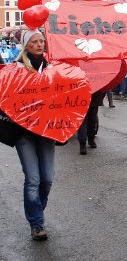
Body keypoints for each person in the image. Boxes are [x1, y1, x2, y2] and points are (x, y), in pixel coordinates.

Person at [14, 29, 56, 240]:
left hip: (47, 130)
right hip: (24, 133)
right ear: (27, 45)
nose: (40, 44)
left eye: (42, 41)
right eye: (35, 41)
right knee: (33, 179)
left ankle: (36, 211)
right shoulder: (15, 70)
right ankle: (37, 224)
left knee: (47, 179)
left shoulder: (53, 68)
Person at [77, 90, 106, 155]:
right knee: (86, 122)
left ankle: (88, 140)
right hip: (85, 98)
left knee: (89, 121)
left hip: (91, 98)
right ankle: (86, 142)